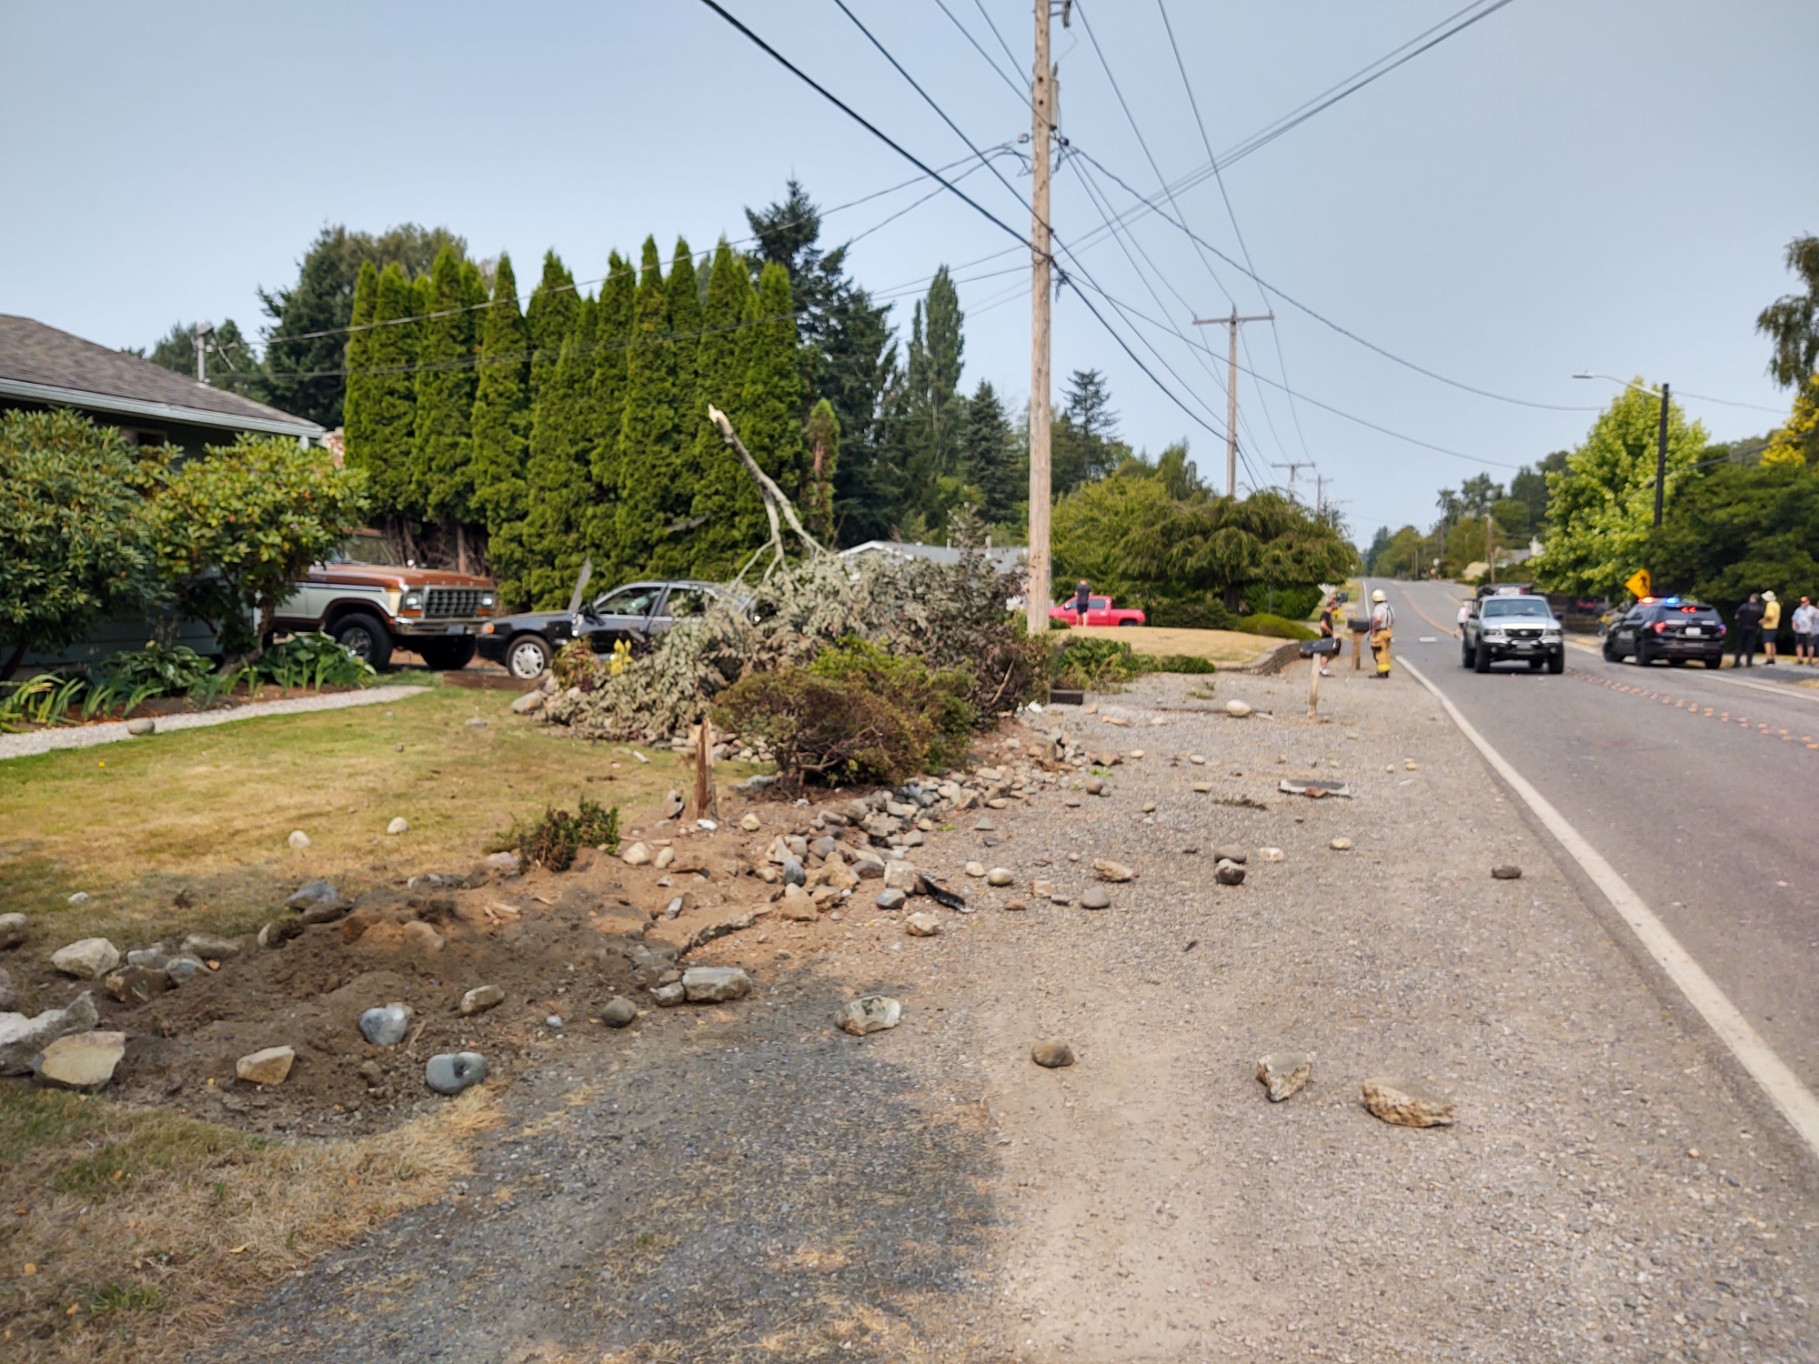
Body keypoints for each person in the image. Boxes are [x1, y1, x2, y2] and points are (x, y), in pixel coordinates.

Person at [1368, 588, 1395, 678]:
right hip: (1388, 630)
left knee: (1379, 652)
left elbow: (1378, 619)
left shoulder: (1378, 608)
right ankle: (1386, 670)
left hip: (1381, 632)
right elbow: (1393, 619)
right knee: (1386, 651)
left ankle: (1381, 672)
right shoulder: (1389, 607)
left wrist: (1374, 628)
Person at [1733, 592, 1765, 667]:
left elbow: (1736, 616)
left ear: (1751, 598)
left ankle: (1736, 662)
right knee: (1750, 645)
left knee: (1739, 645)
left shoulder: (1743, 607)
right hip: (1753, 628)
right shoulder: (1760, 609)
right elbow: (1762, 619)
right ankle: (1749, 662)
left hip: (1742, 627)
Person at [1793, 595, 1818, 666]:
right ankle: (1800, 659)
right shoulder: (1798, 610)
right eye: (1802, 601)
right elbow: (1794, 619)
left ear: (1808, 601)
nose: (1802, 603)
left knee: (1810, 645)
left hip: (1809, 630)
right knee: (1799, 644)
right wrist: (1794, 626)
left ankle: (1810, 659)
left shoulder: (1813, 609)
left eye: (1804, 601)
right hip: (1799, 630)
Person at [1316, 596, 1338, 677]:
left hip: (1327, 636)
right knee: (1327, 653)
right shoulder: (1325, 614)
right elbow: (1322, 624)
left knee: (1329, 653)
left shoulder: (1328, 614)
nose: (1336, 606)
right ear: (1332, 605)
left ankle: (1322, 668)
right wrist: (1329, 631)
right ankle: (1323, 669)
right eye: (1335, 604)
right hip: (1326, 636)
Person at [1761, 590, 1782, 665]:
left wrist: (1763, 620)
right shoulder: (1776, 604)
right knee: (1772, 643)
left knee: (1767, 642)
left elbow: (1770, 615)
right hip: (1775, 625)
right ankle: (1773, 658)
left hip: (1768, 626)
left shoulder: (1770, 605)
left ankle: (1769, 658)